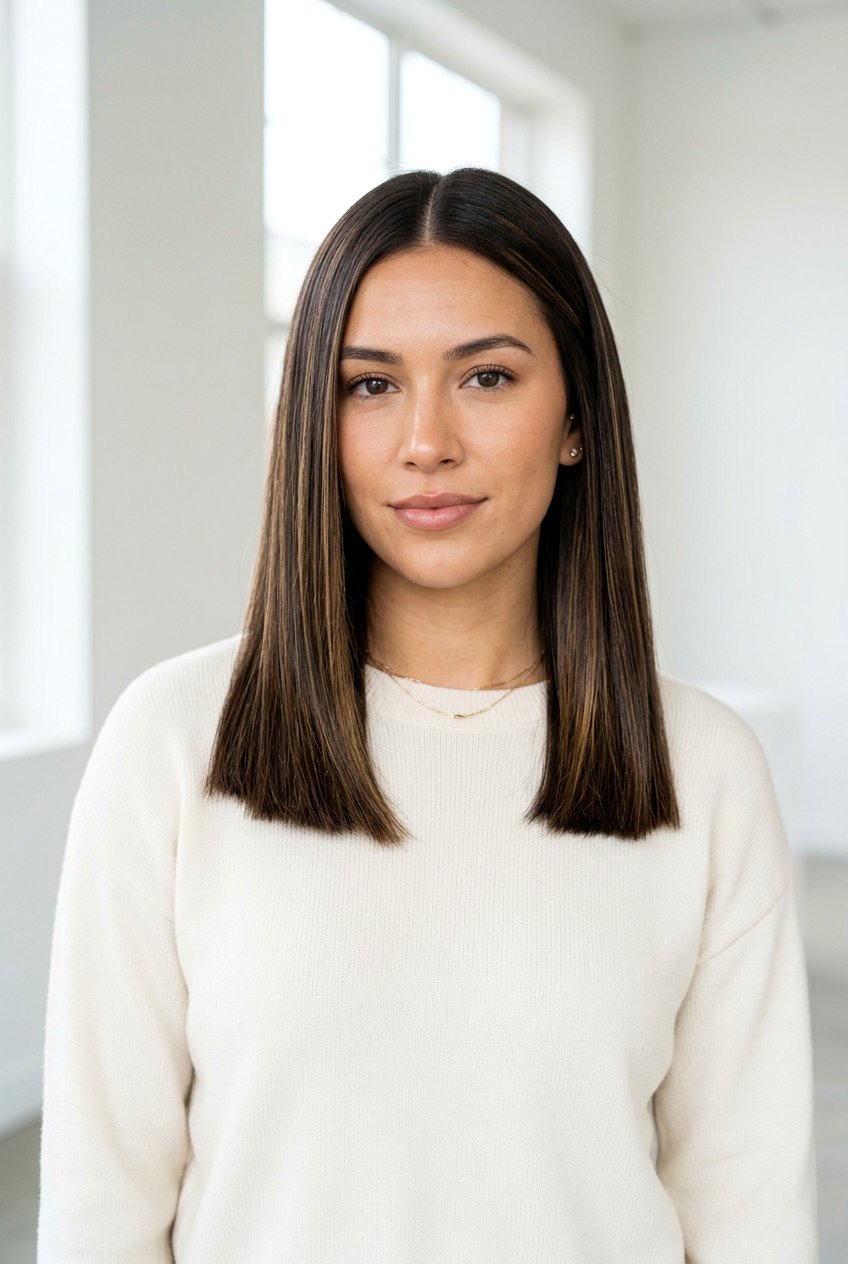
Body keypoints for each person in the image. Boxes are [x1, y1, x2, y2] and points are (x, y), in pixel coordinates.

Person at [37, 168, 818, 1262]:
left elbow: (746, 1212)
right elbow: (100, 1208)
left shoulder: (700, 767)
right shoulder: (175, 741)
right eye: (369, 386)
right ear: (317, 418)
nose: (424, 441)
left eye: (486, 376)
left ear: (576, 420)